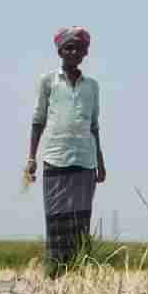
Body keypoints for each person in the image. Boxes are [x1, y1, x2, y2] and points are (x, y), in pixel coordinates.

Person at [27, 26, 106, 277]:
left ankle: (78, 272)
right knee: (56, 218)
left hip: (85, 160)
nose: (73, 52)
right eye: (68, 48)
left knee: (80, 219)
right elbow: (38, 120)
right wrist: (31, 158)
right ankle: (55, 273)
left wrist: (101, 162)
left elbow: (94, 126)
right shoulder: (49, 82)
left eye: (78, 48)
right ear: (60, 51)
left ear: (85, 52)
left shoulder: (92, 86)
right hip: (55, 157)